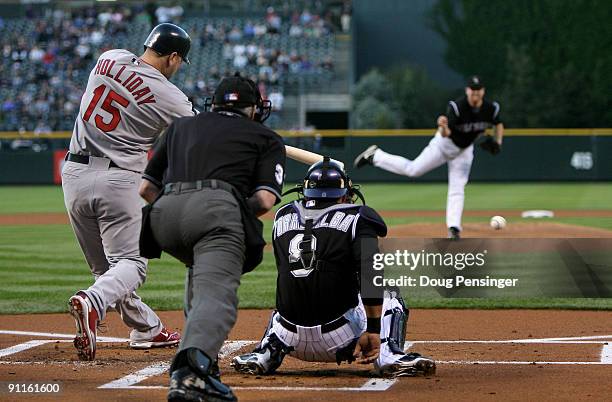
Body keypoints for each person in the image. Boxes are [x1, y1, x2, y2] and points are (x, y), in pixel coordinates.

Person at [138, 74, 286, 402]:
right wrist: (226, 213)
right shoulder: (266, 137)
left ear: (214, 103)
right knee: (217, 296)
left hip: (162, 216)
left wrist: (183, 208)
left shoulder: (179, 127)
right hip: (217, 210)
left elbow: (146, 188)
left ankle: (208, 363)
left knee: (202, 277)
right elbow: (264, 200)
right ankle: (191, 374)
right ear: (253, 108)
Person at [231, 159, 436, 378]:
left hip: (289, 337)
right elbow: (371, 274)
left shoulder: (282, 215)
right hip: (340, 339)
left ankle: (265, 353)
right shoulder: (360, 217)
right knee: (389, 293)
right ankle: (388, 355)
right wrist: (373, 329)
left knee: (292, 289)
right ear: (344, 193)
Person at [63, 23, 194, 361]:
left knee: (106, 271)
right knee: (132, 265)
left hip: (74, 173)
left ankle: (146, 328)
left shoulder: (110, 57)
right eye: (179, 61)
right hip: (118, 179)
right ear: (174, 56)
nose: (178, 67)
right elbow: (200, 131)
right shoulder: (170, 95)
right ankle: (92, 303)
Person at [354, 76, 504, 239]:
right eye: (473, 90)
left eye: (478, 90)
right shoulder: (457, 107)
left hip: (464, 151)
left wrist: (498, 141)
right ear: (467, 90)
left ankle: (454, 228)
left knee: (458, 187)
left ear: (483, 91)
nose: (475, 93)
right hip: (444, 145)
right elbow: (447, 133)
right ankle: (375, 156)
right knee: (413, 170)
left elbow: (498, 123)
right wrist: (443, 126)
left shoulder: (490, 108)